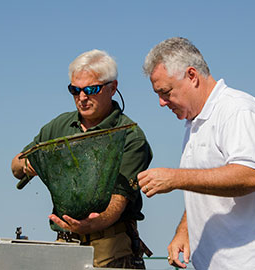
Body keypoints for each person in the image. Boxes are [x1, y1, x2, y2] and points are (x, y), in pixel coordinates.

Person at [138, 37, 255, 270]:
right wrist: (185, 231)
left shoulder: (239, 110)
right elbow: (207, 182)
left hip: (254, 264)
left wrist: (175, 178)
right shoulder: (194, 124)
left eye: (165, 92)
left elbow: (253, 176)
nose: (161, 102)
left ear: (192, 75)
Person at [11, 49, 153, 269]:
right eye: (74, 90)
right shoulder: (59, 126)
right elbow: (16, 165)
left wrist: (92, 224)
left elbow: (119, 201)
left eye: (91, 89)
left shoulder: (130, 136)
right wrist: (29, 166)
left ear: (113, 88)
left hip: (112, 252)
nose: (82, 97)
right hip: (64, 249)